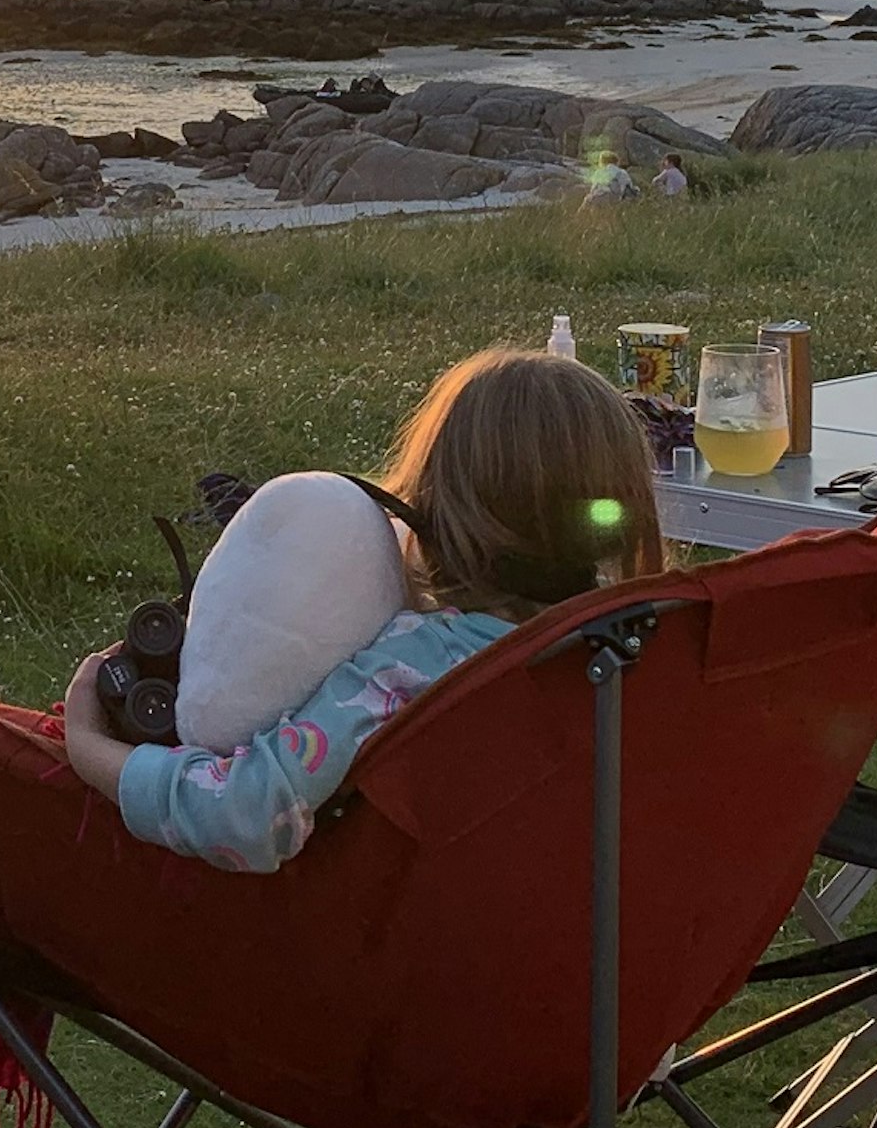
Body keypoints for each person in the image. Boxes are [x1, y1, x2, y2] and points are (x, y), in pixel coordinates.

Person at [56, 345, 668, 873]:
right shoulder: (652, 644)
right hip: (597, 962)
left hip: (428, 974)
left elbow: (245, 814)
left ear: (437, 507)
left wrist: (91, 750)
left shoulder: (408, 672)